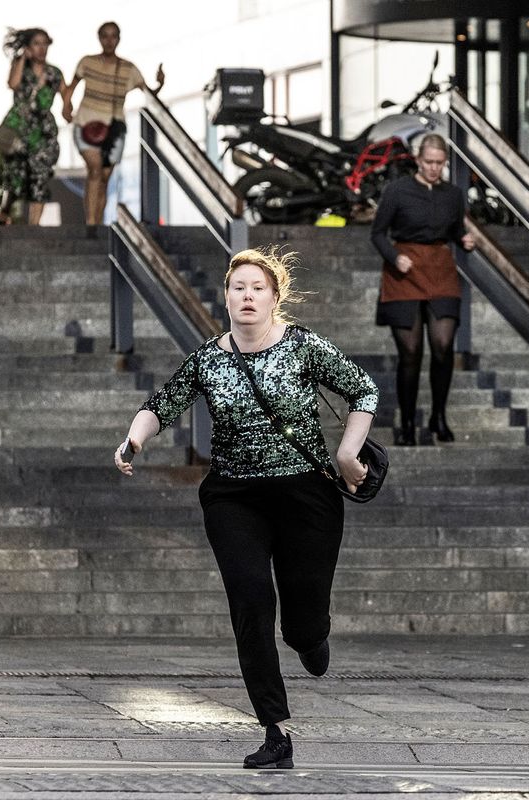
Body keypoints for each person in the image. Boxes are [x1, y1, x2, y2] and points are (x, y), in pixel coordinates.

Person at [115, 247, 378, 769]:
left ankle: (311, 636)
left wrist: (347, 453)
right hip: (234, 496)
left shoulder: (303, 347)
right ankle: (274, 729)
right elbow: (162, 404)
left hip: (306, 495)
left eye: (259, 288)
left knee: (301, 622)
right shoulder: (209, 358)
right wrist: (133, 441)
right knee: (251, 601)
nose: (248, 296)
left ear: (275, 298)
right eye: (239, 288)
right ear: (227, 297)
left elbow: (363, 388)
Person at [369, 133, 475, 446]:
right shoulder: (398, 190)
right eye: (429, 162)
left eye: (439, 163)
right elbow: (377, 234)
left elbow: (456, 231)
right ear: (418, 159)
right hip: (404, 270)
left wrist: (464, 240)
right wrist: (394, 256)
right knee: (411, 352)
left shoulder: (453, 194)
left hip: (440, 269)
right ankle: (407, 422)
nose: (433, 168)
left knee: (443, 345)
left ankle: (438, 416)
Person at [62, 21, 164, 234]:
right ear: (99, 38)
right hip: (86, 124)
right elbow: (71, 87)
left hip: (114, 129)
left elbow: (148, 93)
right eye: (105, 36)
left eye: (114, 36)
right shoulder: (87, 62)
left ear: (119, 39)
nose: (109, 40)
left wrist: (160, 84)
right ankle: (91, 225)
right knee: (95, 171)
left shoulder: (128, 68)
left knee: (105, 178)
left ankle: (97, 224)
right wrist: (66, 106)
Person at [0, 28, 69, 226]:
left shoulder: (55, 73)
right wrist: (21, 59)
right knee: (15, 177)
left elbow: (66, 97)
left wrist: (69, 111)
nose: (42, 48)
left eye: (45, 43)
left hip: (43, 131)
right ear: (28, 47)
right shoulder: (21, 67)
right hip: (20, 128)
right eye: (37, 43)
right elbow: (13, 84)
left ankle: (33, 227)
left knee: (40, 175)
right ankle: (4, 212)